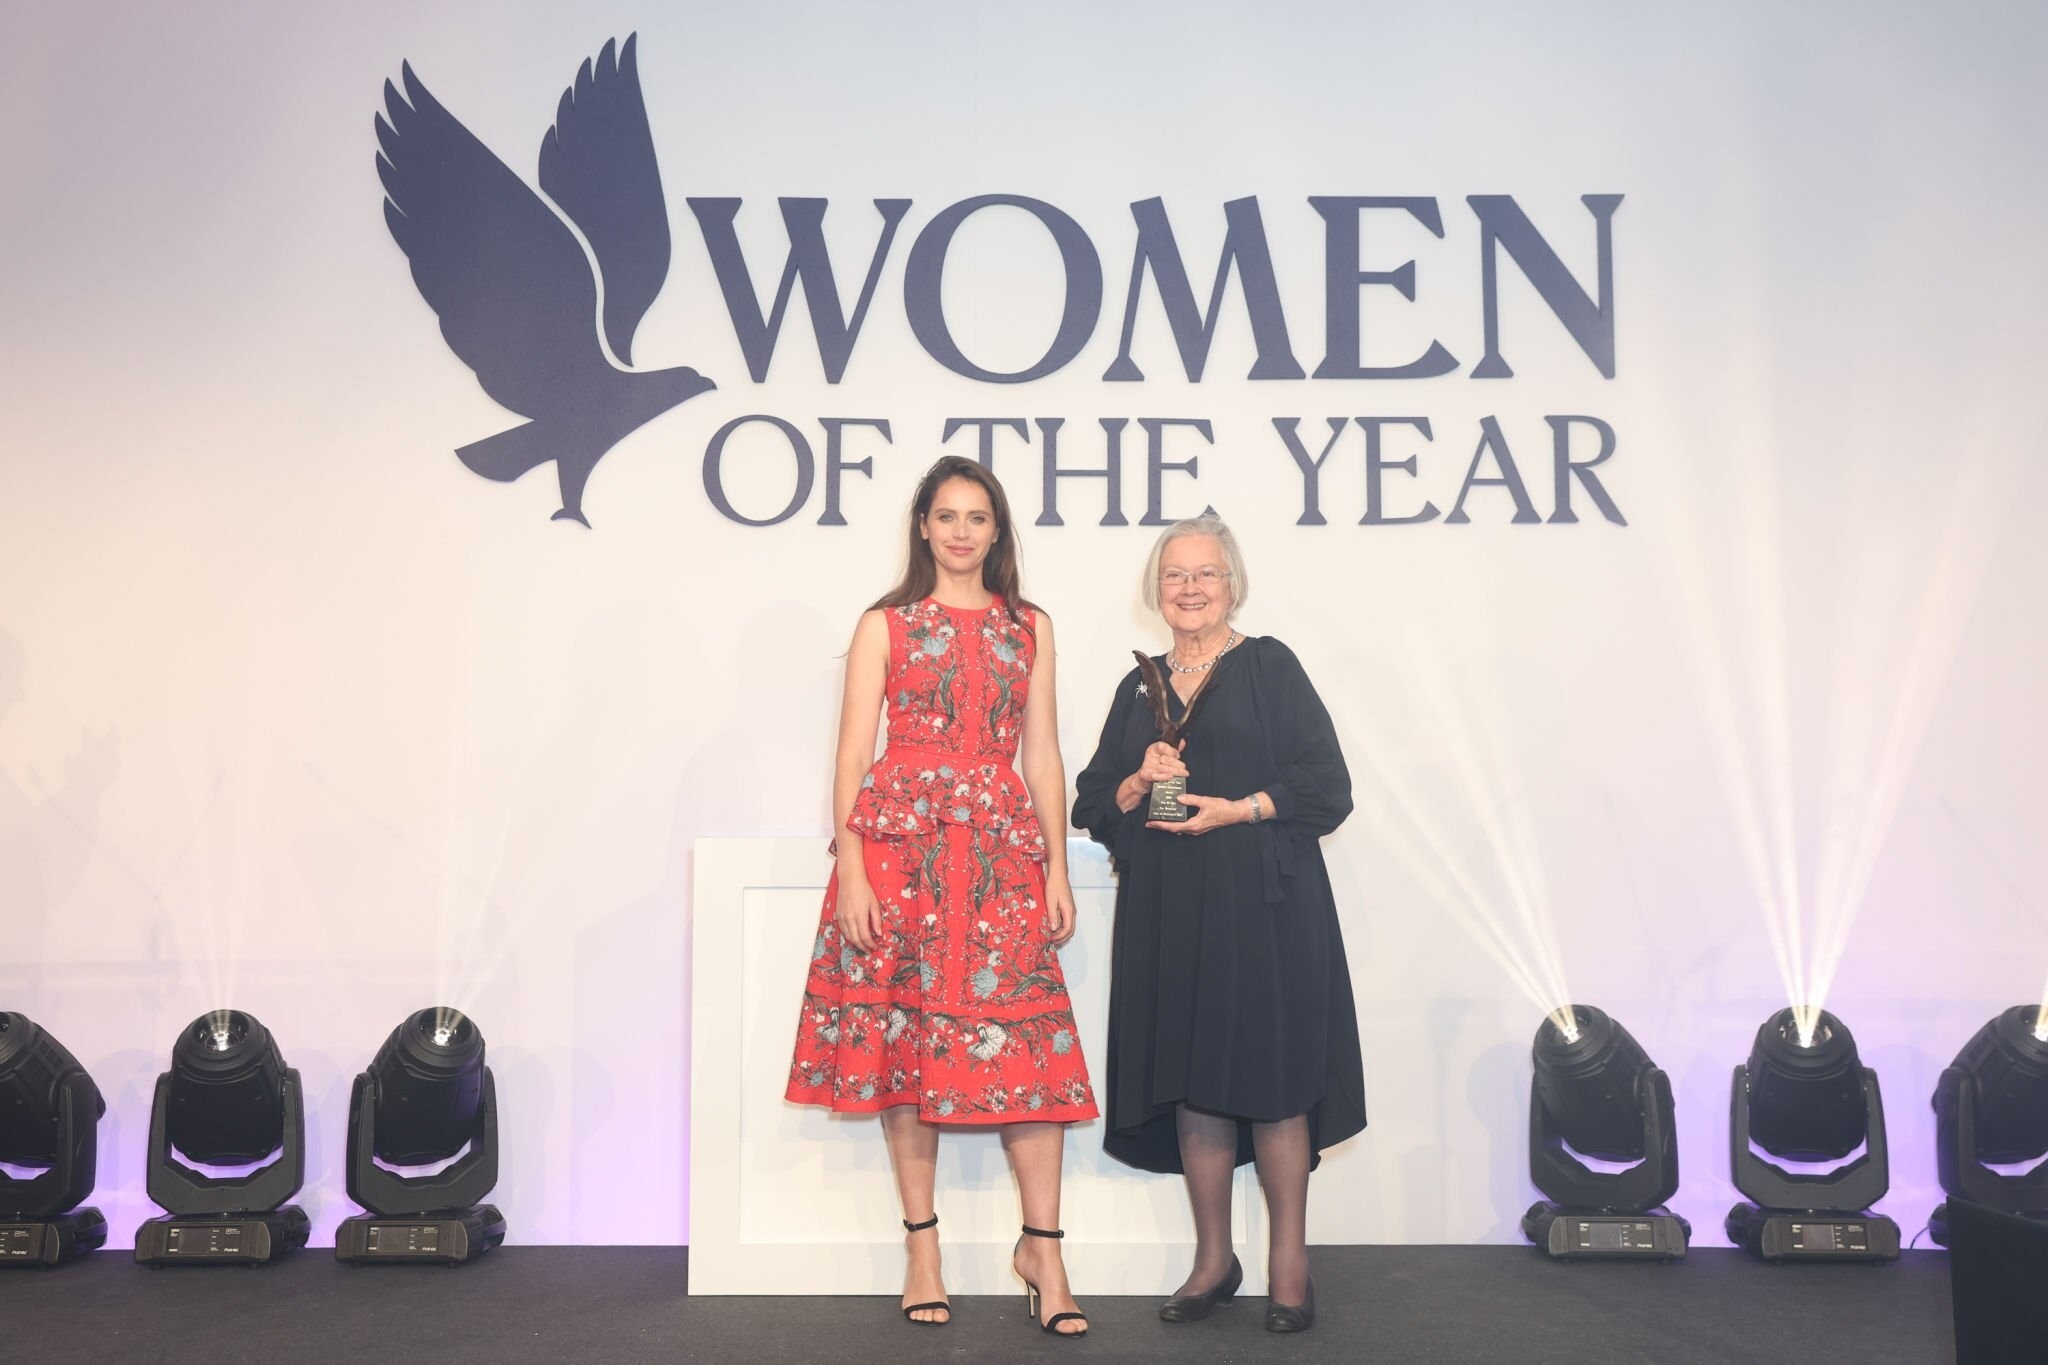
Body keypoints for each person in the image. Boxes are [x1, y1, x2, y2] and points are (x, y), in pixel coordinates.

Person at [786, 456, 1094, 1337]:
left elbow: (1042, 754)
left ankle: (1044, 1250)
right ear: (923, 525)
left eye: (977, 517)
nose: (962, 531)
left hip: (999, 857)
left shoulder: (1028, 625)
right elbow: (852, 755)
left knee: (1031, 1053)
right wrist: (851, 866)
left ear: (997, 531)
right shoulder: (885, 624)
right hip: (899, 856)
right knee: (907, 1049)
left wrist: (1055, 868)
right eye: (947, 515)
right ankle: (923, 1249)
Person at [1071, 512, 1366, 1334]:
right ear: (1155, 589)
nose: (1190, 587)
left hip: (1264, 907)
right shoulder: (1138, 688)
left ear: (1232, 584)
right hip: (1170, 911)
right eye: (1175, 574)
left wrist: (1240, 808)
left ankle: (1289, 1265)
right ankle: (1213, 1260)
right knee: (1192, 1081)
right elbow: (1093, 802)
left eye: (1205, 572)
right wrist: (1138, 779)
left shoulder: (1269, 666)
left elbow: (1328, 785)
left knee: (1273, 1082)